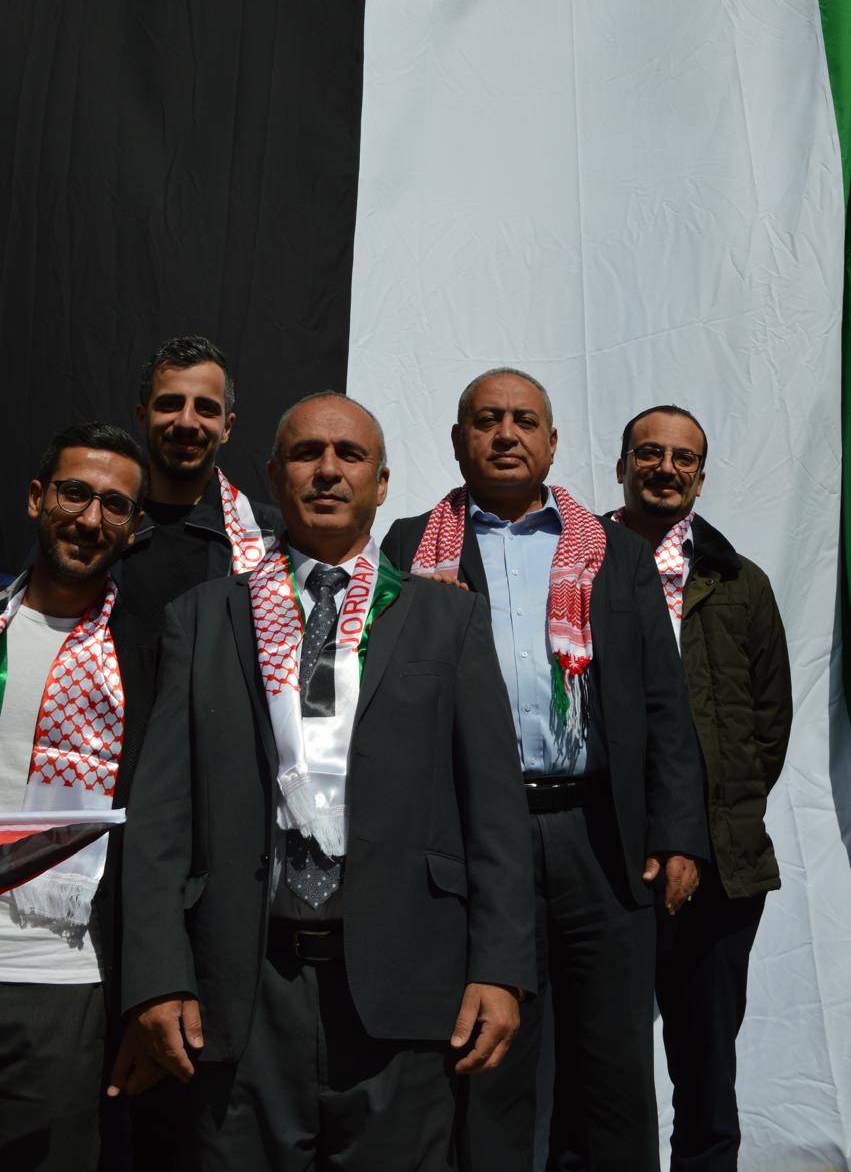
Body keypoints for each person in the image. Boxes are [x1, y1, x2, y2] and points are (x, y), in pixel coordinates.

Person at [108, 391, 536, 1172]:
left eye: (350, 455)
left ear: (381, 483)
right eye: (307, 453)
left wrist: (501, 968)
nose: (328, 470)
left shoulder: (448, 621)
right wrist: (157, 976)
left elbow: (496, 814)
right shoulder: (202, 619)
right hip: (242, 985)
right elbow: (162, 813)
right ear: (274, 476)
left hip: (406, 985)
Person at [382, 368, 709, 1172]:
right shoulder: (410, 546)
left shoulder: (614, 552)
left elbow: (662, 702)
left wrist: (677, 833)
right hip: (473, 839)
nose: (506, 434)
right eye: (486, 419)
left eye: (524, 420)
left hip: (598, 837)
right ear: (457, 439)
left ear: (552, 442)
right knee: (488, 1059)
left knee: (613, 1066)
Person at [612, 404, 792, 1172]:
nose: (665, 468)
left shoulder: (739, 583)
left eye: (682, 458)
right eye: (649, 453)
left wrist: (710, 820)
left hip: (722, 869)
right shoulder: (577, 568)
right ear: (621, 465)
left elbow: (768, 724)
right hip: (608, 861)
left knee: (707, 1066)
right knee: (602, 1065)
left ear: (700, 476)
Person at [0, 423, 157, 1172]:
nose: (91, 519)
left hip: (61, 983)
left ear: (133, 526)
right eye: (74, 494)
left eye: (115, 505)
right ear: (37, 497)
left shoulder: (153, 654)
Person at [113, 334, 281, 629]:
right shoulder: (98, 522)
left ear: (227, 427)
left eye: (205, 408)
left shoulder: (273, 537)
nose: (187, 422)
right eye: (170, 404)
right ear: (142, 418)